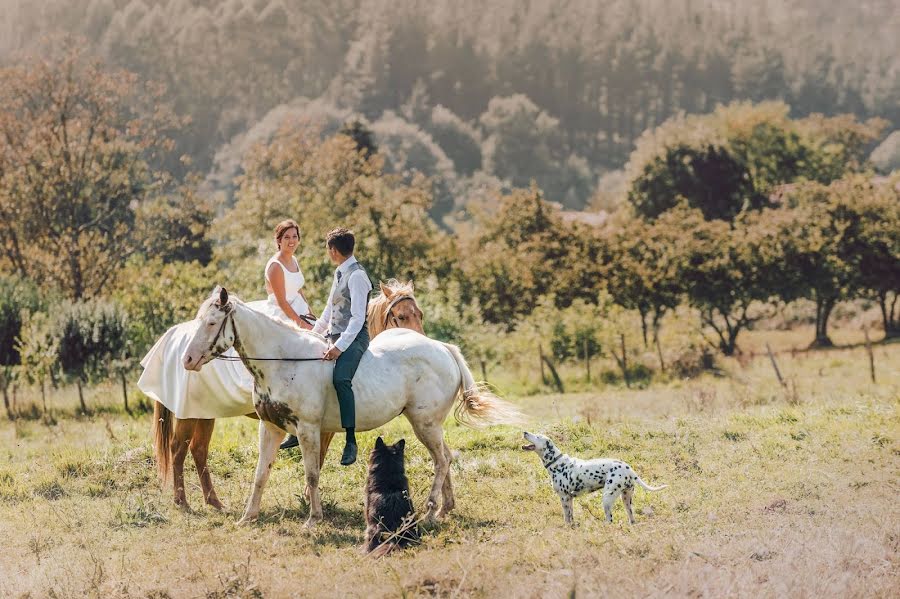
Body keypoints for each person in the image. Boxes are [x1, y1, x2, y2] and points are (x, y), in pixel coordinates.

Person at [281, 227, 372, 465]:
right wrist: (310, 336)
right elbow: (328, 312)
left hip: (354, 338)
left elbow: (357, 319)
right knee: (306, 371)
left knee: (341, 379)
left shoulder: (357, 276)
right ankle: (295, 429)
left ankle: (350, 441)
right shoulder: (340, 273)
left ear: (333, 250)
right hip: (334, 334)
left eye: (328, 249)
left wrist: (340, 347)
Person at [263, 219, 314, 330]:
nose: (291, 240)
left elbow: (299, 290)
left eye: (294, 236)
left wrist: (311, 314)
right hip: (283, 316)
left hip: (300, 310)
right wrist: (302, 324)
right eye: (287, 237)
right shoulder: (275, 266)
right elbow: (282, 302)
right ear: (279, 240)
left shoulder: (294, 259)